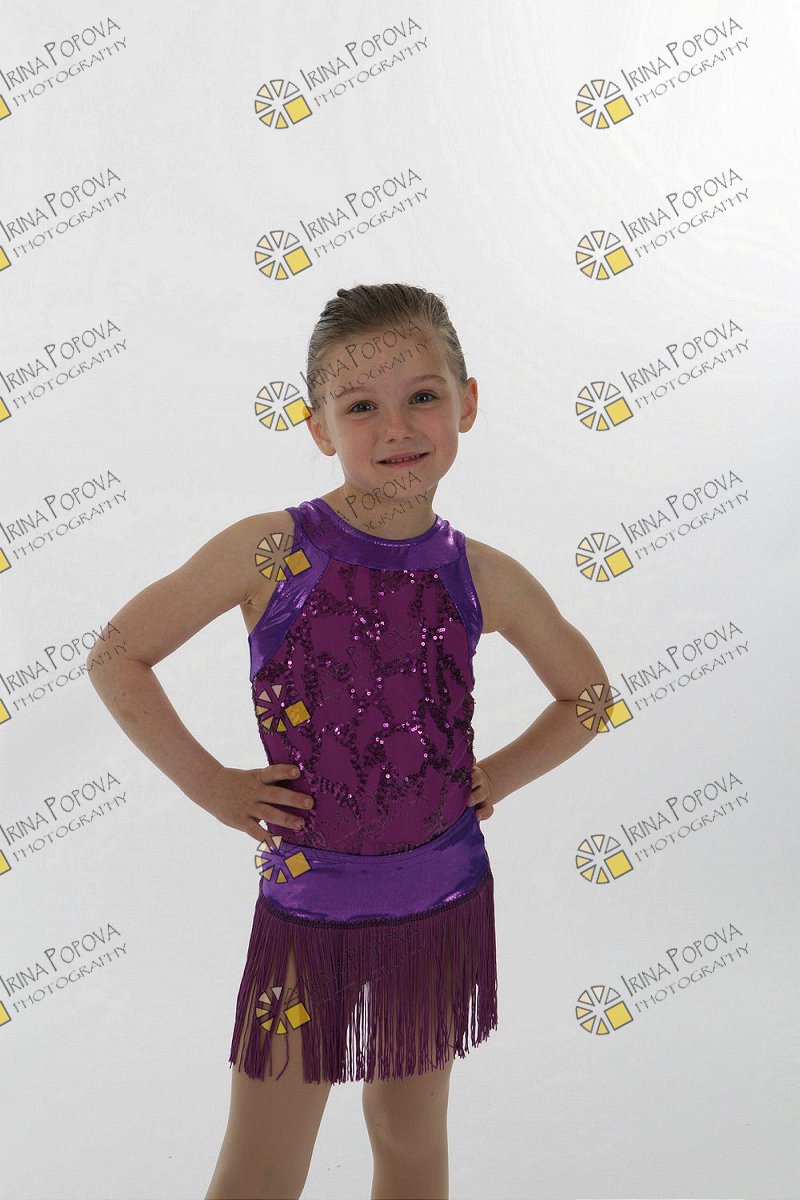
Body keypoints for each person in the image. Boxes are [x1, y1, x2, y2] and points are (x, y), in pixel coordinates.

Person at [86, 282, 611, 1200]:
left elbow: (591, 698)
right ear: (319, 427)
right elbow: (117, 656)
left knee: (411, 1139)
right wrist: (213, 785)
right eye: (360, 405)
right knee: (264, 1160)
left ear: (467, 404)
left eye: (422, 395)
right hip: (308, 907)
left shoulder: (482, 574)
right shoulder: (273, 549)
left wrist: (495, 776)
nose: (396, 427)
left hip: (439, 901)